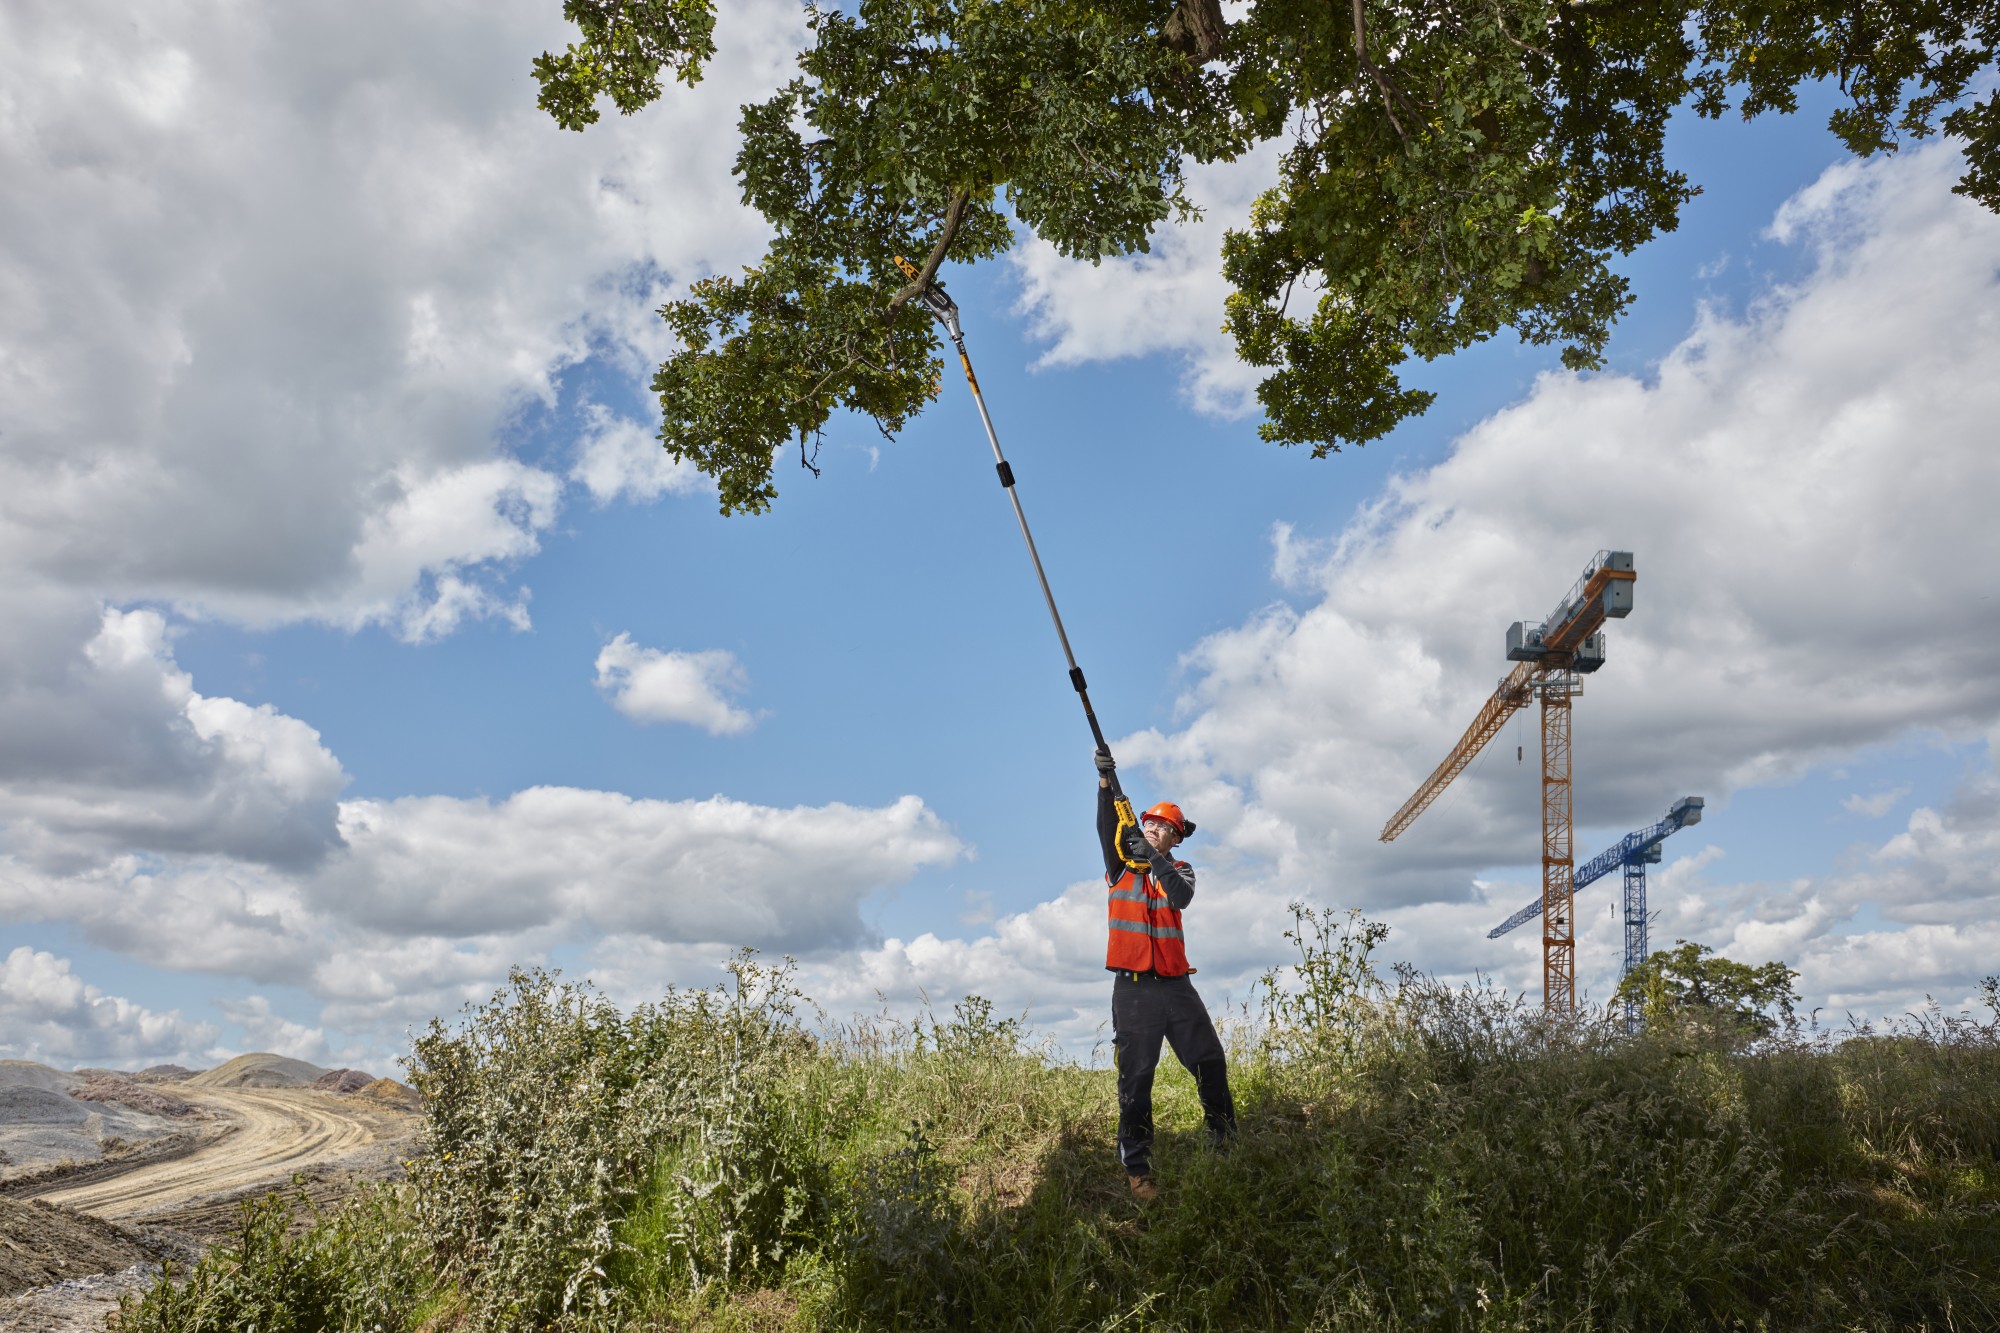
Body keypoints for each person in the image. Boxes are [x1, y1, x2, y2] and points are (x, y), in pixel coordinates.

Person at [1095, 749, 1236, 1200]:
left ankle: (1225, 1144)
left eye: (1164, 829)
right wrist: (1104, 784)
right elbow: (1106, 827)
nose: (1155, 830)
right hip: (1134, 990)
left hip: (1177, 988)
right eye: (1150, 824)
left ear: (1175, 839)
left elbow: (1180, 897)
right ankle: (1138, 1169)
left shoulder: (1179, 870)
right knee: (1136, 1078)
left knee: (1210, 1061)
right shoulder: (1119, 867)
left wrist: (1153, 859)